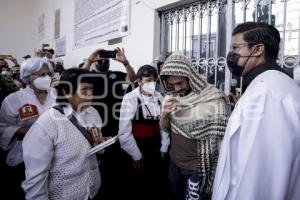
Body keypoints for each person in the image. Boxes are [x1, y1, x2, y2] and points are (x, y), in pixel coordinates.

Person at [212, 22, 300, 200]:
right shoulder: (271, 85)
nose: (231, 55)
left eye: (236, 47)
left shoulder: (266, 94)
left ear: (258, 49)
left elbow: (257, 174)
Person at [22, 68, 102, 200]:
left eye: (91, 89)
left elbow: (92, 145)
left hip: (91, 190)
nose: (90, 94)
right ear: (66, 92)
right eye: (84, 90)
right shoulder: (47, 124)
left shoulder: (93, 113)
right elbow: (36, 180)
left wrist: (100, 143)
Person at [159, 52, 230, 200]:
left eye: (179, 83)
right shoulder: (173, 97)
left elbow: (219, 140)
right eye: (172, 84)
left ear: (190, 77)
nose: (177, 88)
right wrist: (165, 115)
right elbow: (166, 128)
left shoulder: (213, 98)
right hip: (175, 163)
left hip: (197, 169)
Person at [83, 47, 136, 199]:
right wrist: (89, 59)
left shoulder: (117, 75)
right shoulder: (89, 75)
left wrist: (125, 62)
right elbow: (76, 79)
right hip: (95, 123)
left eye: (106, 58)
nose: (103, 61)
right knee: (98, 158)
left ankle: (116, 185)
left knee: (116, 157)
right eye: (100, 59)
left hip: (115, 122)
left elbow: (132, 79)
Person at [0, 57, 56, 199]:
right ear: (28, 76)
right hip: (24, 155)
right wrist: (23, 131)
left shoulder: (57, 96)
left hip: (56, 153)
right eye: (41, 75)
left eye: (48, 74)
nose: (46, 78)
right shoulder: (13, 100)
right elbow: (3, 126)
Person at [118, 65, 172, 199]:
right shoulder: (130, 98)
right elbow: (124, 131)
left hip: (156, 145)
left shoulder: (160, 97)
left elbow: (164, 125)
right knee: (139, 185)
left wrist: (164, 147)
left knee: (157, 183)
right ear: (139, 81)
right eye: (148, 80)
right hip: (138, 145)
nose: (152, 83)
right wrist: (136, 155)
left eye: (154, 80)